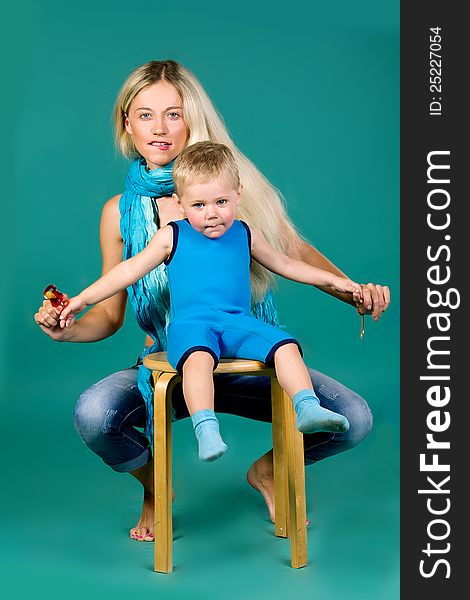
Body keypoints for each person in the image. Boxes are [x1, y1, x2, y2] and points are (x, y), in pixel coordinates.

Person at [34, 60, 389, 542]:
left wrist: (352, 290)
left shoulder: (229, 189)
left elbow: (293, 255)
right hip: (176, 360)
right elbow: (110, 313)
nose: (159, 128)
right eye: (144, 115)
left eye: (173, 114)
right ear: (127, 124)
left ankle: (269, 470)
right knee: (96, 415)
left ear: (192, 119)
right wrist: (68, 324)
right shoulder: (119, 214)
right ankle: (156, 488)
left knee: (355, 419)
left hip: (247, 355)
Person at [60, 141, 363, 463]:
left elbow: (287, 265)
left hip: (238, 322)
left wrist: (335, 281)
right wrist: (81, 300)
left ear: (238, 195)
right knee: (198, 358)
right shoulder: (172, 235)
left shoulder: (245, 232)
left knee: (285, 346)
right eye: (199, 205)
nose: (212, 214)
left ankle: (307, 407)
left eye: (221, 202)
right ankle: (207, 428)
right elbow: (127, 271)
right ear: (180, 204)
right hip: (192, 325)